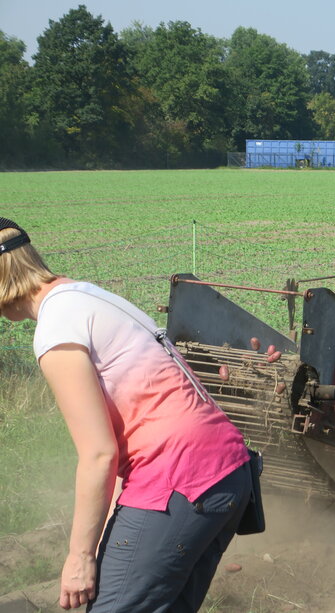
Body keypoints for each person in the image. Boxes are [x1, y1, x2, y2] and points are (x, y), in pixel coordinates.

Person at [0, 217, 252, 612]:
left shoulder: (55, 329)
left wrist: (80, 557)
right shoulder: (85, 296)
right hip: (228, 472)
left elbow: (99, 454)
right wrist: (102, 535)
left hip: (181, 480)